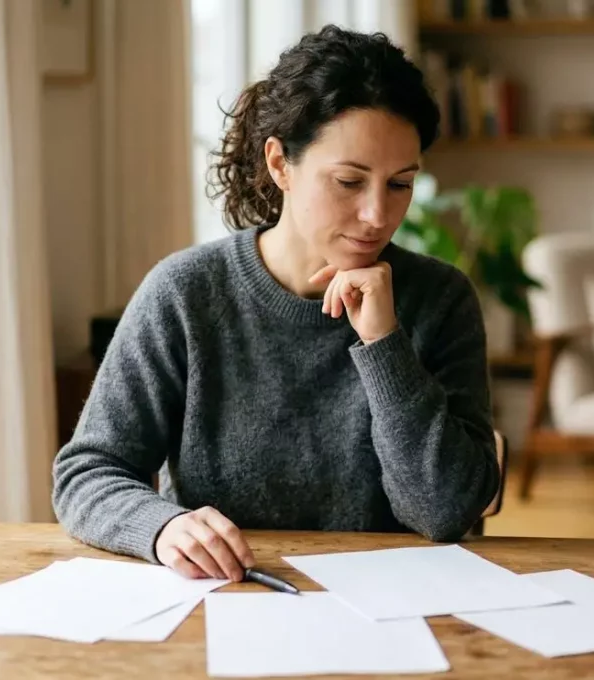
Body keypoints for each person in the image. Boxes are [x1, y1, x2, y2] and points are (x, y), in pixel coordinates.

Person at [52, 25, 498, 582]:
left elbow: (444, 512)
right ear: (280, 163)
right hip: (229, 602)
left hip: (398, 614)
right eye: (349, 181)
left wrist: (385, 346)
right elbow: (88, 472)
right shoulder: (186, 294)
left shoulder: (441, 299)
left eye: (400, 184)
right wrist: (162, 528)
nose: (378, 215)